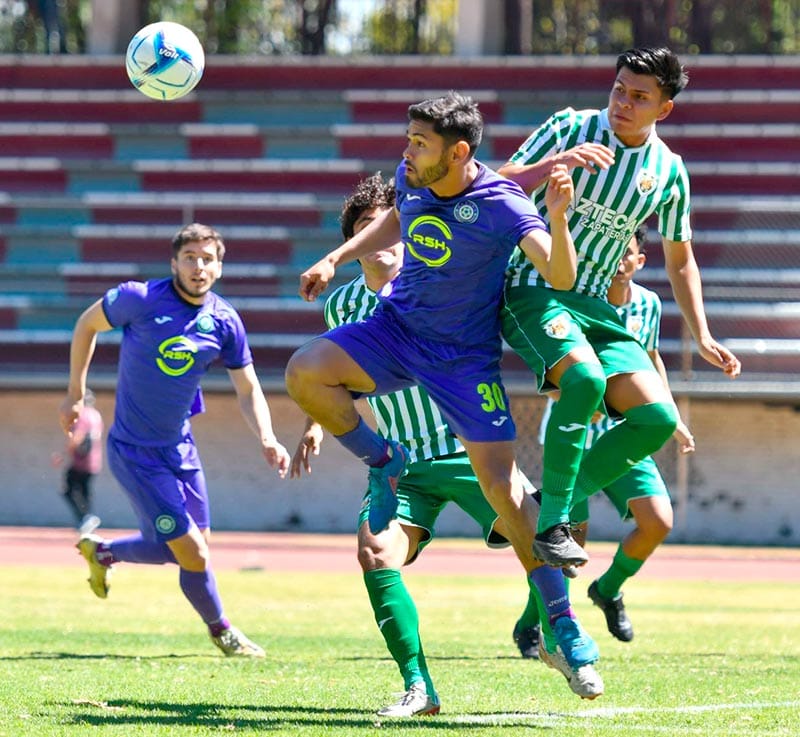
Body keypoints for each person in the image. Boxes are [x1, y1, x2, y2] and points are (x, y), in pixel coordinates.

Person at [285, 93, 604, 704]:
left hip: (463, 361)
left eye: (418, 142)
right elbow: (396, 217)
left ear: (458, 153)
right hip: (397, 333)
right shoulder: (412, 178)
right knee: (305, 372)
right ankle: (383, 461)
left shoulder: (504, 204)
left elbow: (559, 277)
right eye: (408, 138)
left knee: (508, 495)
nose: (406, 152)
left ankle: (561, 628)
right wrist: (335, 257)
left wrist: (558, 218)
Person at [498, 46, 741, 569]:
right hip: (530, 288)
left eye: (639, 97)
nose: (622, 103)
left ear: (664, 108)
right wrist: (552, 165)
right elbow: (495, 187)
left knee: (656, 418)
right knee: (583, 383)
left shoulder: (669, 171)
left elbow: (681, 262)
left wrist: (701, 334)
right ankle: (556, 521)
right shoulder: (569, 127)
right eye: (618, 90)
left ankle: (545, 508)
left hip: (593, 306)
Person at [59, 222, 291, 657]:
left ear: (219, 267)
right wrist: (75, 393)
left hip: (181, 450)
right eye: (190, 258)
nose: (198, 266)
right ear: (174, 263)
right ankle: (223, 632)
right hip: (134, 452)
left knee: (188, 550)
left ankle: (103, 552)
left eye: (207, 259)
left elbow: (249, 388)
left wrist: (268, 436)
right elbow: (86, 325)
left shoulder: (223, 321)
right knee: (194, 554)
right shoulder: (140, 299)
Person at [512, 226, 696, 650]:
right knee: (569, 544)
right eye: (612, 251)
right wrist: (569, 393)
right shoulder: (574, 293)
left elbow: (649, 358)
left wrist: (674, 416)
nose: (617, 261)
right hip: (578, 436)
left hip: (622, 436)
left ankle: (608, 589)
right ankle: (532, 622)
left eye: (626, 253)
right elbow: (551, 357)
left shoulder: (648, 305)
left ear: (638, 261)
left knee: (658, 520)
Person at [53, 387, 103, 534]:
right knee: (85, 491)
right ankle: (87, 520)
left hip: (80, 461)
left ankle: (85, 517)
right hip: (94, 461)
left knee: (68, 489)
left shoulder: (83, 415)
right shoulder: (96, 415)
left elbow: (78, 436)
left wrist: (62, 454)